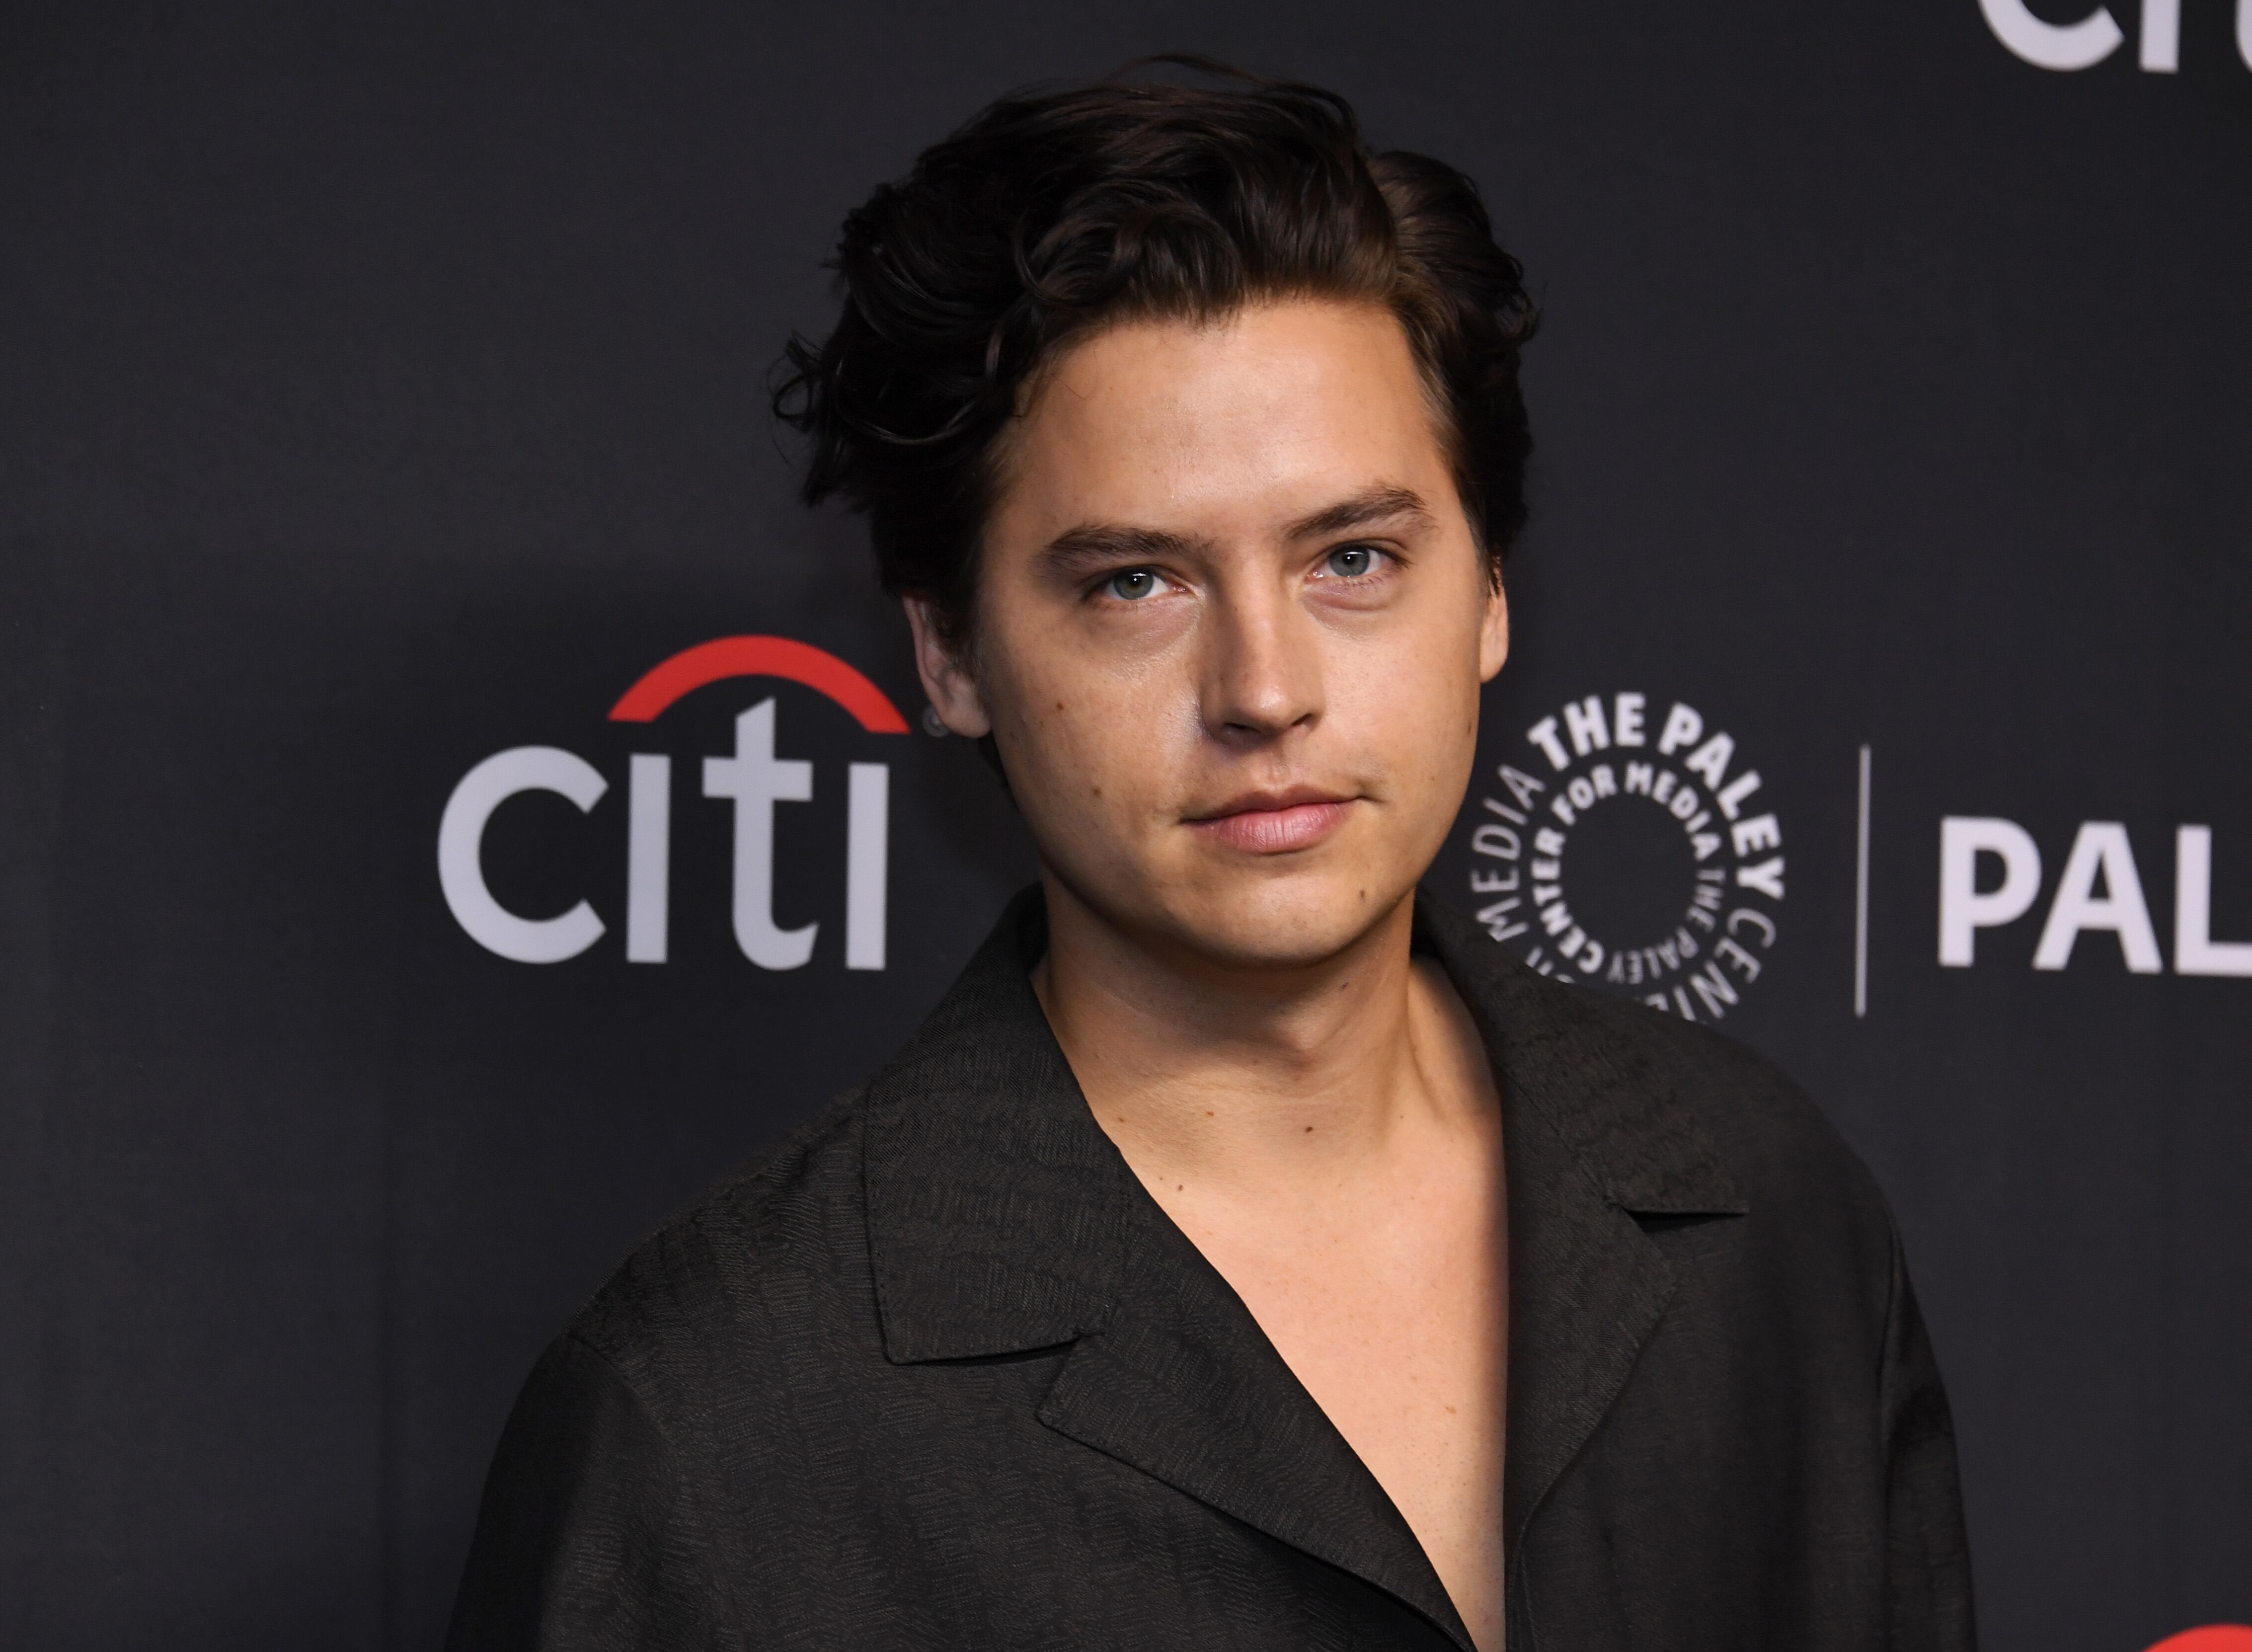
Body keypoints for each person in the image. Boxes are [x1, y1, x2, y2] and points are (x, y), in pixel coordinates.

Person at [447, 66, 1974, 1652]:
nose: (1265, 688)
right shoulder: (713, 1420)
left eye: (1354, 558)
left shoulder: (1774, 1219)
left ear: (1490, 592)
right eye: (1136, 584)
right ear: (952, 654)